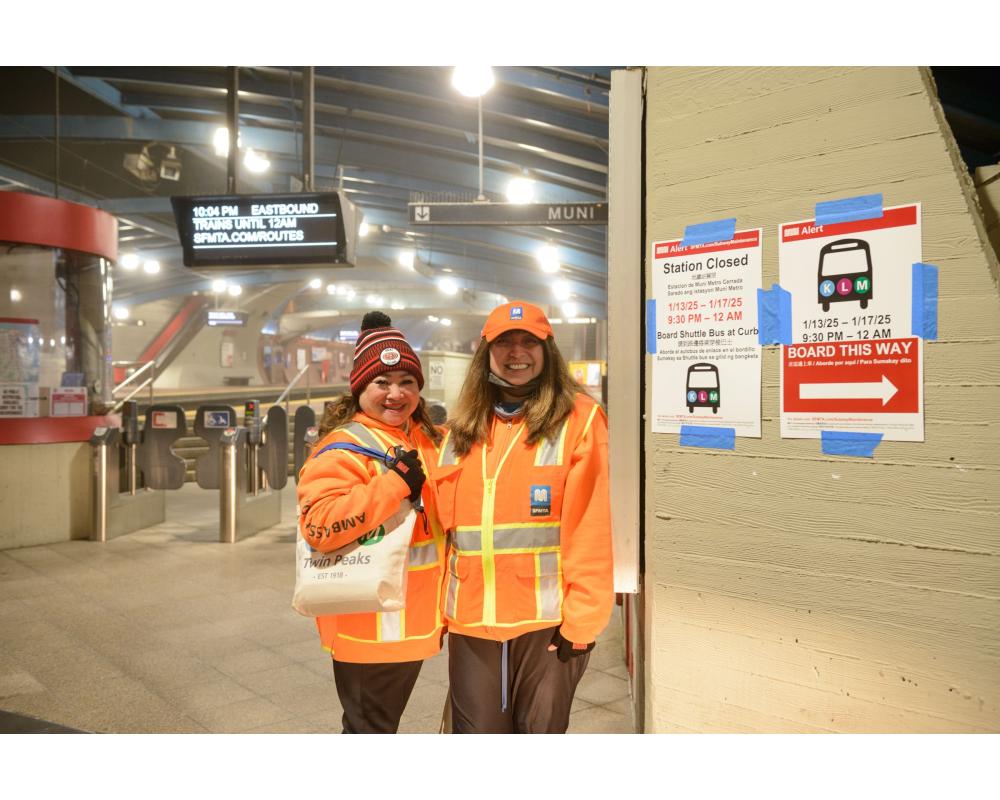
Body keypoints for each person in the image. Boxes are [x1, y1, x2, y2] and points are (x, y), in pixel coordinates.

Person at [432, 300, 614, 733]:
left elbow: (592, 527)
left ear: (547, 349)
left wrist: (582, 622)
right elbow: (443, 528)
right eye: (505, 342)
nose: (517, 352)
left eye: (528, 341)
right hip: (471, 624)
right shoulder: (460, 430)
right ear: (486, 354)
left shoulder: (580, 421)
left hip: (548, 627)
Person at [297, 311, 446, 734]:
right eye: (383, 383)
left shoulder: (421, 437)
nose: (396, 394)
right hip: (367, 626)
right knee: (369, 732)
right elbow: (320, 527)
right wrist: (393, 485)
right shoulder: (344, 448)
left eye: (407, 383)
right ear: (361, 386)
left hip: (407, 623)